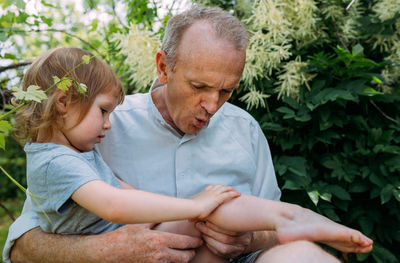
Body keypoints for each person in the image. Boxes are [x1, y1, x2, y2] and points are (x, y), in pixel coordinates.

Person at [3, 6, 372, 263]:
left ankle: (297, 216)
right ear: (164, 67)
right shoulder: (94, 131)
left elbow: (264, 233)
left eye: (226, 91)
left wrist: (252, 237)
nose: (213, 105)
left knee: (302, 255)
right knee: (206, 211)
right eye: (199, 86)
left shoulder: (245, 130)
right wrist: (104, 252)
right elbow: (23, 245)